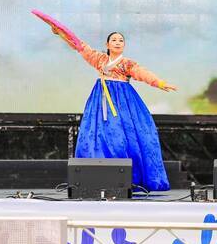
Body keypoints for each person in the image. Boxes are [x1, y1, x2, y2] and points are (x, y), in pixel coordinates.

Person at [72, 31, 177, 192]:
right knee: (98, 134)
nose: (117, 42)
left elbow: (142, 73)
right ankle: (98, 177)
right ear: (107, 45)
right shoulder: (99, 59)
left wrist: (159, 83)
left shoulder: (127, 64)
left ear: (124, 45)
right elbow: (80, 46)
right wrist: (61, 33)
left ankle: (128, 178)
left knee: (123, 137)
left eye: (121, 40)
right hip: (101, 102)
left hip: (123, 102)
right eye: (113, 40)